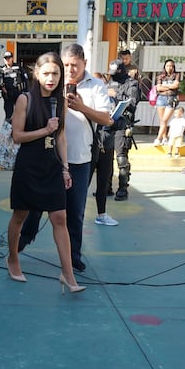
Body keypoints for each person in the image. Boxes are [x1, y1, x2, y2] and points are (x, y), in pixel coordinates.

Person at [19, 43, 113, 272]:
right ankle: (20, 243)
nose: (70, 70)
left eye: (75, 65)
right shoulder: (51, 84)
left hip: (80, 159)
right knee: (34, 206)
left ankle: (73, 256)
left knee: (74, 210)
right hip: (47, 157)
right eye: (66, 65)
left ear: (85, 64)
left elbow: (107, 119)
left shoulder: (97, 86)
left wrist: (81, 107)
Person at [5, 51, 85, 293]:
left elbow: (60, 136)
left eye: (56, 73)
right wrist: (43, 130)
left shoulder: (61, 101)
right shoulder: (25, 100)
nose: (51, 78)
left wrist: (65, 167)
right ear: (36, 74)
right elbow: (17, 136)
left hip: (52, 164)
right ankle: (12, 258)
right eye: (47, 73)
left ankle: (68, 275)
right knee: (20, 216)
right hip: (29, 164)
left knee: (60, 218)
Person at [105, 59, 140, 201]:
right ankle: (106, 187)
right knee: (106, 158)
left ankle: (123, 188)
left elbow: (132, 103)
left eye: (115, 73)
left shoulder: (132, 84)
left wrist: (116, 95)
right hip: (107, 122)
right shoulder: (110, 83)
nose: (112, 76)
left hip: (122, 123)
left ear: (121, 71)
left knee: (121, 157)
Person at [152, 59, 180, 146]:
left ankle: (158, 138)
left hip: (171, 98)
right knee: (162, 121)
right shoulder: (160, 76)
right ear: (164, 67)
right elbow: (159, 88)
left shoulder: (176, 75)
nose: (169, 68)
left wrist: (165, 86)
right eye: (167, 66)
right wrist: (170, 87)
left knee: (165, 119)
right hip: (161, 98)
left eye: (171, 66)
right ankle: (164, 138)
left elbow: (176, 85)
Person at [1, 50, 28, 122]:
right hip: (8, 95)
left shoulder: (18, 68)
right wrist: (2, 88)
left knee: (20, 113)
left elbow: (26, 80)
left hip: (18, 93)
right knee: (8, 115)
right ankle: (7, 132)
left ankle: (20, 130)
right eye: (5, 58)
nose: (7, 60)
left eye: (9, 58)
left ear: (12, 58)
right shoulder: (2, 70)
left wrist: (26, 93)